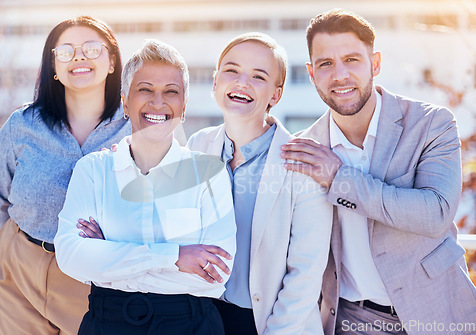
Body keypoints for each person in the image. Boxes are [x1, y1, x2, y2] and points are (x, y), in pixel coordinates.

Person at [281, 8, 476, 335]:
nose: (340, 75)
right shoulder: (305, 148)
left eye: (352, 60)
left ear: (375, 63)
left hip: (439, 310)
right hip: (350, 321)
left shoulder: (431, 124)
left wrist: (339, 179)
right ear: (312, 73)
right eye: (326, 64)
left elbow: (436, 213)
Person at [54, 39, 237, 335]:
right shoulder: (93, 171)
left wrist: (109, 253)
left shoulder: (208, 173)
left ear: (184, 106)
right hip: (107, 323)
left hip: (190, 325)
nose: (158, 102)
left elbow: (214, 274)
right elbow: (72, 256)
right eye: (145, 90)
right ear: (125, 102)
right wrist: (175, 256)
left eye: (171, 92)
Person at [0, 16, 130, 334]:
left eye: (92, 48)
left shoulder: (137, 128)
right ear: (53, 65)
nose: (79, 57)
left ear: (113, 61)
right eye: (65, 51)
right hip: (17, 269)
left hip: (95, 280)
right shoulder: (23, 124)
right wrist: (23, 243)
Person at [186, 32, 333, 334]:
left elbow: (305, 272)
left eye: (258, 76)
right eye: (232, 70)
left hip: (268, 322)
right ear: (215, 82)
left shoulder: (301, 161)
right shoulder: (198, 145)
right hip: (201, 316)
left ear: (276, 95)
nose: (242, 82)